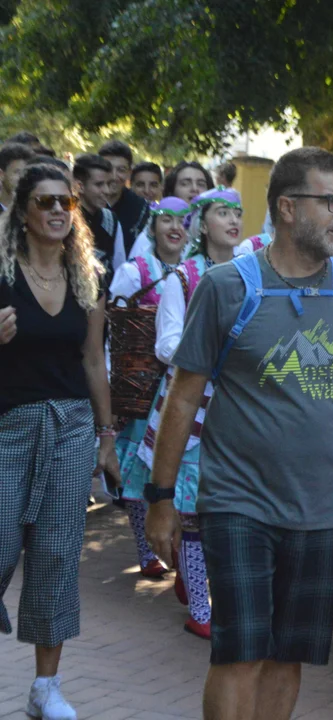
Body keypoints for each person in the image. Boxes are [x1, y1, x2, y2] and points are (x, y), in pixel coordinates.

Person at [145, 147, 333, 720]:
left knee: (288, 656)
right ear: (288, 208)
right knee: (240, 653)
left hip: (321, 508)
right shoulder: (225, 287)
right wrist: (161, 498)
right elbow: (183, 398)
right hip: (236, 502)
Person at [0, 163, 120, 720]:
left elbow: (93, 360)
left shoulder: (87, 276)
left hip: (71, 426)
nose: (55, 211)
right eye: (44, 202)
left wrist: (106, 435)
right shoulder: (1, 273)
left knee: (54, 554)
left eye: (65, 204)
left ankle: (45, 687)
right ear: (22, 211)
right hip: (8, 428)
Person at [135, 187, 245, 638]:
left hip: (239, 404)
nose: (233, 220)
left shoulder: (250, 273)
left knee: (227, 510)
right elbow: (166, 343)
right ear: (202, 223)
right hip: (194, 403)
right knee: (193, 512)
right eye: (222, 212)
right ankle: (201, 608)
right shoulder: (183, 277)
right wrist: (212, 355)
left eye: (238, 212)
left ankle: (197, 581)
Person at [107, 197, 191, 579]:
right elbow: (116, 324)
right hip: (143, 382)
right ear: (152, 227)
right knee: (143, 465)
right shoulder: (133, 270)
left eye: (182, 221)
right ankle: (147, 549)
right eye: (166, 220)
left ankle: (177, 546)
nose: (175, 227)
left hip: (181, 384)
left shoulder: (196, 271)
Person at [73, 154, 125, 277]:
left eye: (108, 184)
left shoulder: (111, 220)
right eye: (99, 185)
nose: (107, 191)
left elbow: (120, 266)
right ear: (79, 186)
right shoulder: (66, 219)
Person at [99, 140, 151, 257]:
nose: (114, 176)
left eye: (121, 170)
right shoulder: (88, 202)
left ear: (129, 173)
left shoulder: (141, 208)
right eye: (108, 168)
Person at [0, 142, 35, 211]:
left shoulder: (35, 212)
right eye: (17, 172)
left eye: (27, 173)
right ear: (1, 175)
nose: (23, 177)